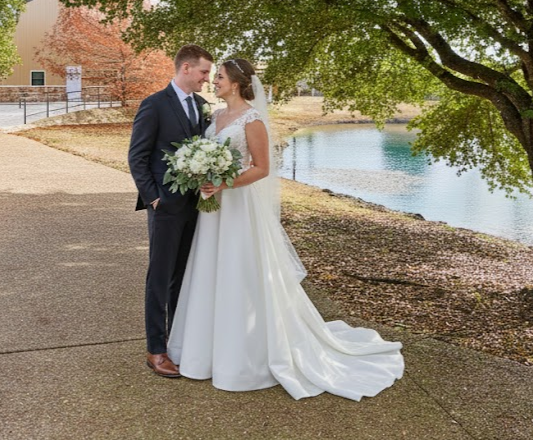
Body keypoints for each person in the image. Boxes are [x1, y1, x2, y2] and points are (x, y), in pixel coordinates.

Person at [167, 59, 404, 401]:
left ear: (235, 83)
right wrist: (202, 177)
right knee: (209, 271)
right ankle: (205, 354)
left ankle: (242, 358)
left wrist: (223, 183)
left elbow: (262, 169)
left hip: (238, 207)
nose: (213, 81)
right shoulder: (215, 117)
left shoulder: (253, 119)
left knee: (239, 273)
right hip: (213, 210)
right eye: (213, 76)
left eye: (219, 76)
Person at [128, 44, 214, 378]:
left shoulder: (204, 107)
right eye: (205, 72)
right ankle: (156, 350)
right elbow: (137, 156)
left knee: (184, 277)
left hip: (197, 207)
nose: (207, 78)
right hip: (165, 206)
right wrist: (154, 199)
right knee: (160, 278)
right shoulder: (154, 104)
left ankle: (178, 342)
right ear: (187, 68)